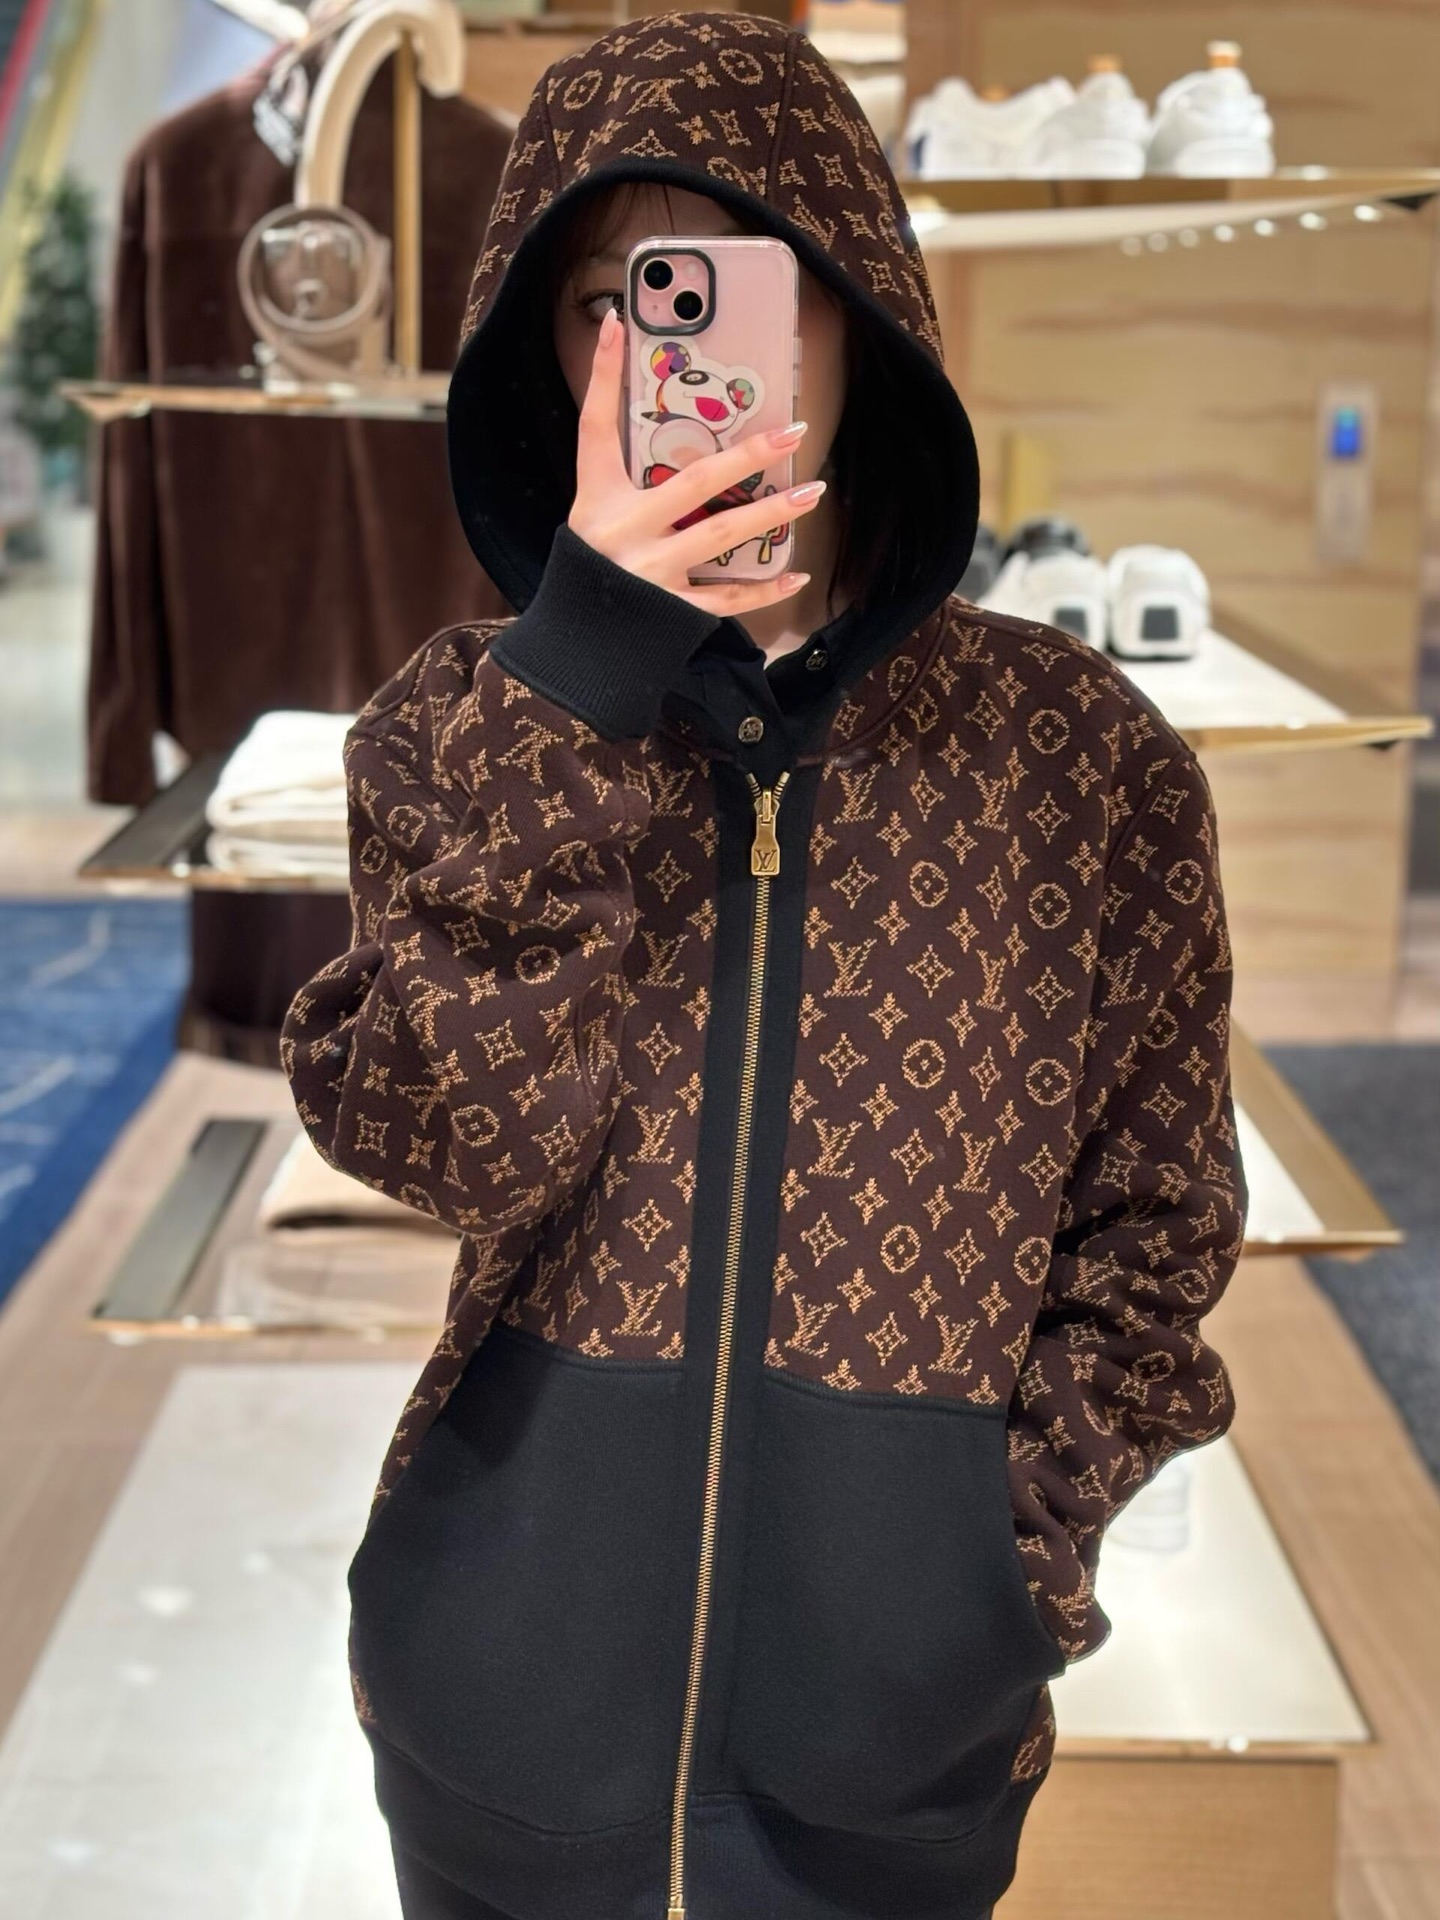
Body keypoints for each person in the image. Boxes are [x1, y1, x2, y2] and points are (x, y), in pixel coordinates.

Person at [281, 13, 1250, 1920]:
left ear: (859, 318)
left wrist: (995, 1580)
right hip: (499, 1736)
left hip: (897, 1764)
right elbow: (433, 1142)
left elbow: (1157, 1231)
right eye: (608, 300)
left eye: (737, 288)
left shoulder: (1080, 762)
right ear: (541, 350)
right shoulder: (462, 729)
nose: (674, 356)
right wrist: (574, 690)